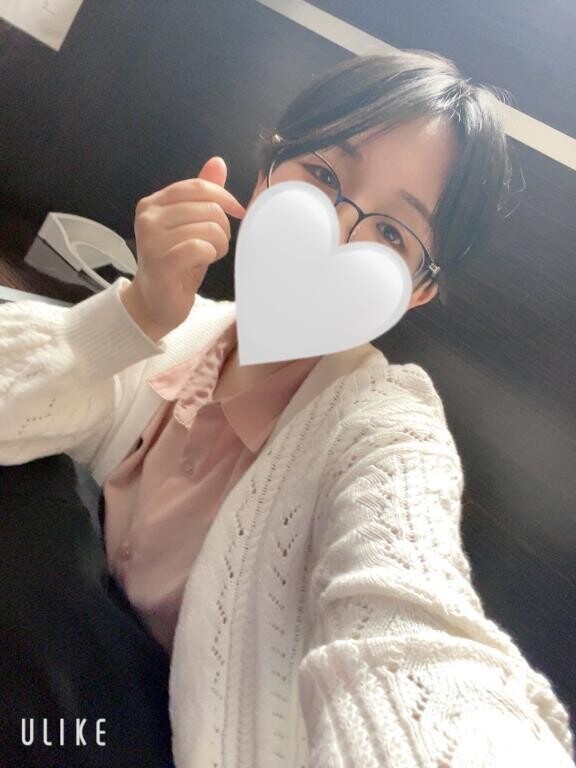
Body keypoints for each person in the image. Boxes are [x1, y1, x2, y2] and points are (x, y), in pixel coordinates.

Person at [0, 50, 574, 768]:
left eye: (391, 234)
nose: (335, 236)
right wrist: (135, 312)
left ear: (418, 291)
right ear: (267, 173)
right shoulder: (180, 331)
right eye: (324, 177)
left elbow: (416, 621)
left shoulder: (381, 429)